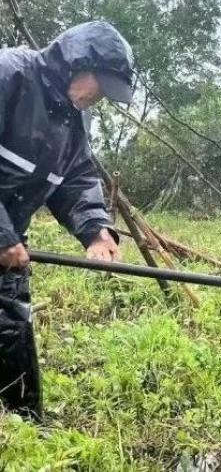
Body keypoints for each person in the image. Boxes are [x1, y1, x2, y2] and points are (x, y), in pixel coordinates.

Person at [0, 21, 133, 418]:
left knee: (10, 326)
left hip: (9, 239)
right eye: (102, 86)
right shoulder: (10, 74)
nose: (99, 99)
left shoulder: (73, 120)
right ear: (79, 63)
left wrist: (95, 230)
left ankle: (24, 423)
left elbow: (76, 178)